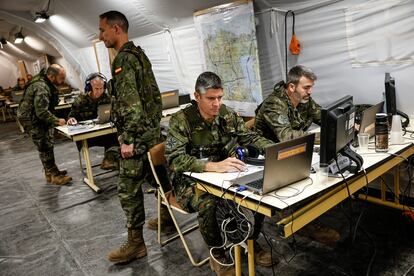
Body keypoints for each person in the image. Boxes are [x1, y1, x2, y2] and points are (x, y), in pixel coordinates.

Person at [166, 71, 276, 275]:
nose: (217, 104)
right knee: (210, 201)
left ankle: (249, 241)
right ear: (197, 97)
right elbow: (174, 160)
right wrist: (210, 166)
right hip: (189, 179)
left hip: (225, 173)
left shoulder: (226, 114)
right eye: (210, 98)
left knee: (258, 192)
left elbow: (248, 136)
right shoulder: (181, 121)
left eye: (219, 97)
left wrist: (277, 149)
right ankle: (217, 252)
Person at [99, 10, 163, 263]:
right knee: (157, 177)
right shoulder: (139, 54)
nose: (100, 35)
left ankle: (136, 243)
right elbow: (155, 97)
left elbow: (132, 105)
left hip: (136, 138)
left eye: (103, 30)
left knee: (128, 189)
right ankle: (167, 219)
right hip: (150, 133)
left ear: (116, 29)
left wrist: (128, 140)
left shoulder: (123, 60)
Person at [254, 65, 340, 244]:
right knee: (314, 175)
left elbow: (324, 117)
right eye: (306, 87)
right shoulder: (274, 103)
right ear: (292, 87)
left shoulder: (304, 100)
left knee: (322, 172)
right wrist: (319, 136)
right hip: (265, 155)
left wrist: (342, 123)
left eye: (311, 87)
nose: (310, 91)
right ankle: (300, 221)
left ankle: (305, 221)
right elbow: (286, 136)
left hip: (292, 150)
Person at [17, 64, 72, 185]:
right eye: (61, 78)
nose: (63, 81)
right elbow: (41, 112)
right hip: (31, 119)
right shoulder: (41, 87)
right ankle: (54, 175)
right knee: (44, 145)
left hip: (35, 116)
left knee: (46, 143)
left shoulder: (46, 82)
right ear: (52, 76)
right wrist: (57, 121)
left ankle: (50, 172)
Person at [67, 73, 119, 170]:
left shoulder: (107, 98)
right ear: (89, 88)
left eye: (101, 88)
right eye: (96, 88)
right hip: (87, 136)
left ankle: (109, 159)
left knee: (115, 135)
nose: (99, 91)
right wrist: (71, 119)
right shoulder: (80, 100)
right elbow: (71, 116)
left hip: (103, 133)